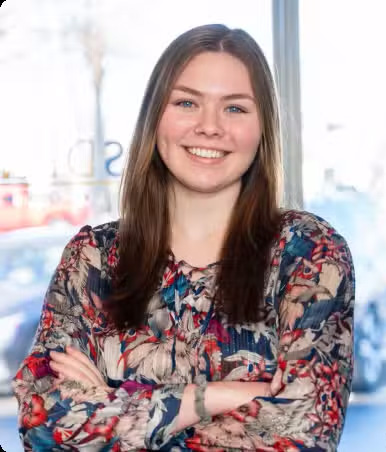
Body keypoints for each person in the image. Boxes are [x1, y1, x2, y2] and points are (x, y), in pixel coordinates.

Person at [12, 24, 354, 451]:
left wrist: (113, 408)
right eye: (187, 102)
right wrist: (220, 396)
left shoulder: (307, 253)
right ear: (156, 117)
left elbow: (305, 433)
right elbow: (45, 427)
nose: (209, 127)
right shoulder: (93, 258)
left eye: (235, 108)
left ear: (262, 128)